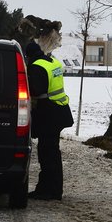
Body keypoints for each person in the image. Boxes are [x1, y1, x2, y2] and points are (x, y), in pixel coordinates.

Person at [25, 40, 74, 200]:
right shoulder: (52, 61)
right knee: (52, 152)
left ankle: (49, 190)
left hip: (49, 113)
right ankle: (53, 188)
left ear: (29, 55)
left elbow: (36, 90)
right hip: (59, 110)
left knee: (47, 153)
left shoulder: (37, 66)